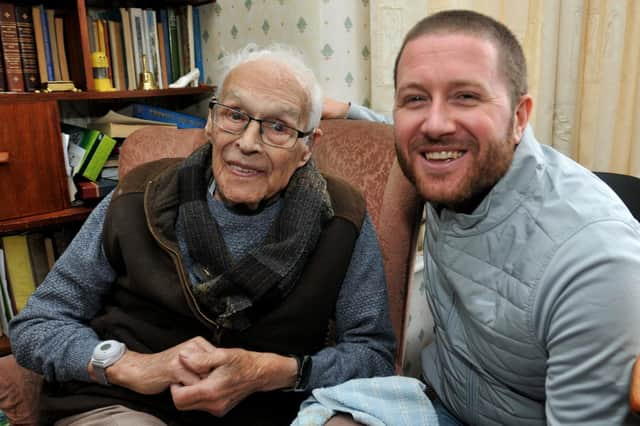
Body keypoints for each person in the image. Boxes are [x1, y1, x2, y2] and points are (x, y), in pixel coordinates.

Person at [9, 44, 396, 425]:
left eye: (278, 127)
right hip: (123, 405)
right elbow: (37, 325)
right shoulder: (138, 196)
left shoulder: (343, 218)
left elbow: (372, 354)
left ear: (308, 146)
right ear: (210, 123)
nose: (247, 143)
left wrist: (273, 371)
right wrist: (132, 366)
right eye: (235, 115)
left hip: (269, 410)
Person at [298, 9, 640, 425]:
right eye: (415, 98)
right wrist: (351, 110)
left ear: (519, 117)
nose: (435, 124)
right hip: (441, 400)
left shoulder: (593, 262)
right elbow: (418, 137)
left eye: (466, 96)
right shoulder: (458, 163)